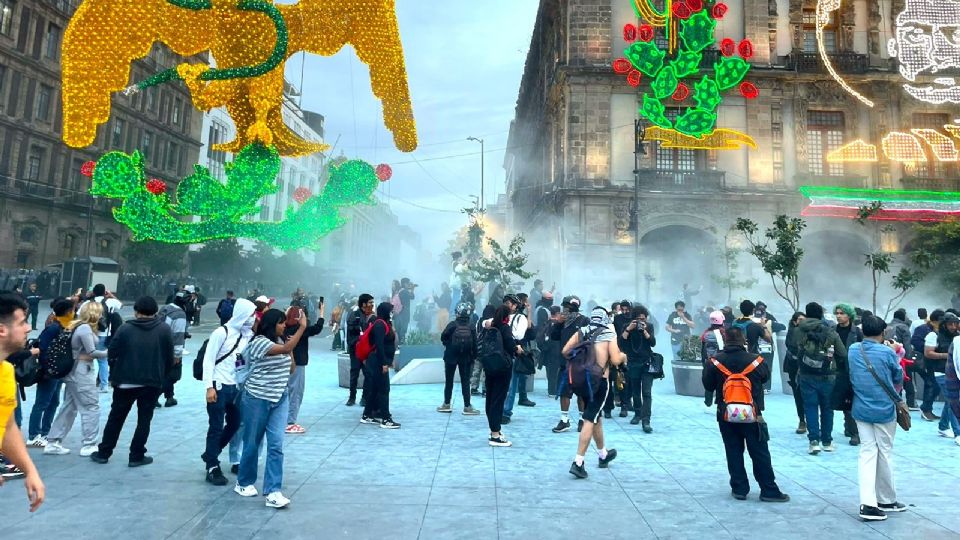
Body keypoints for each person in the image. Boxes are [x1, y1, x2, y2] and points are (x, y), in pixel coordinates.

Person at [702, 327, 789, 503]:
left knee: (733, 450)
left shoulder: (715, 361)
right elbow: (765, 378)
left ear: (725, 340)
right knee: (759, 451)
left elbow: (708, 385)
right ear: (744, 341)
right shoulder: (756, 361)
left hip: (726, 413)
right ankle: (768, 490)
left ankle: (739, 488)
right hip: (753, 413)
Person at [90, 296, 174, 467]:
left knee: (116, 417)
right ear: (155, 311)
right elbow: (169, 357)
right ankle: (136, 455)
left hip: (125, 381)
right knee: (144, 419)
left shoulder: (125, 328)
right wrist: (161, 376)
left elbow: (112, 352)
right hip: (151, 382)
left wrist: (116, 371)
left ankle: (104, 452)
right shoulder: (164, 330)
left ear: (136, 311)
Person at [235, 308, 307, 508]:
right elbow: (283, 351)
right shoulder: (259, 343)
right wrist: (301, 328)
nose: (284, 325)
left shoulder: (282, 343)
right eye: (281, 322)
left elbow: (291, 368)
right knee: (253, 442)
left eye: (285, 322)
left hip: (279, 398)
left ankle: (273, 491)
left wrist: (289, 346)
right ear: (270, 324)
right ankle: (243, 482)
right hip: (257, 398)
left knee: (276, 444)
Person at [846, 315, 907, 521]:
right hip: (884, 409)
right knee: (885, 451)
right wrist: (896, 352)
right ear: (883, 333)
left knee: (867, 452)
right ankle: (887, 499)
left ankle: (868, 503)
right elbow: (898, 377)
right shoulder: (886, 352)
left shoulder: (854, 349)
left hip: (860, 408)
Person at [200, 299, 255, 485]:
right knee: (215, 426)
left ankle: (211, 453)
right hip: (219, 386)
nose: (253, 318)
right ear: (241, 315)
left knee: (234, 423)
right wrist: (209, 387)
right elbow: (208, 360)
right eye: (250, 314)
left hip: (235, 388)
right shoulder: (221, 333)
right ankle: (212, 467)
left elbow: (239, 360)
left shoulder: (246, 335)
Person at [565, 307, 624, 478]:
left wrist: (581, 358)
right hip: (599, 382)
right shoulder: (608, 334)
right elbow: (615, 359)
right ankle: (578, 462)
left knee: (595, 416)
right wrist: (624, 357)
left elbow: (565, 351)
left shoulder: (581, 331)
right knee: (590, 418)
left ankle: (603, 455)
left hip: (582, 381)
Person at [43, 302, 107, 457]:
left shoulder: (75, 325)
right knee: (91, 406)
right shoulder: (85, 328)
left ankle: (53, 441)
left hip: (74, 371)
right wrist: (108, 352)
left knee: (69, 406)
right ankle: (89, 444)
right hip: (82, 371)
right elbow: (91, 351)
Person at [0, 292, 45, 512]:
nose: (28, 328)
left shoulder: (6, 372)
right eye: (22, 322)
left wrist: (29, 469)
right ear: (2, 329)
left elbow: (7, 426)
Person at [796, 302, 847, 455]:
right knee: (827, 408)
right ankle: (827, 441)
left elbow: (792, 347)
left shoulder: (799, 330)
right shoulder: (831, 331)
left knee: (810, 407)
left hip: (805, 374)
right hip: (827, 375)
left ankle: (813, 442)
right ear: (821, 314)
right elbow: (842, 353)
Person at [26, 299, 74, 447]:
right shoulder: (53, 328)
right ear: (67, 312)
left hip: (58, 372)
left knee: (54, 402)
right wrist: (48, 368)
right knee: (42, 402)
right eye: (72, 310)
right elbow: (42, 348)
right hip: (50, 372)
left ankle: (47, 432)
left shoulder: (64, 327)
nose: (73, 313)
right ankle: (33, 435)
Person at [480, 304, 520, 447]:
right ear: (507, 316)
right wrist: (518, 349)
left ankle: (493, 430)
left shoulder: (490, 328)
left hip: (489, 367)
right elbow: (510, 346)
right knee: (498, 399)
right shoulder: (505, 328)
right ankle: (495, 435)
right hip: (503, 368)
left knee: (490, 398)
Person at [283, 299, 325, 434]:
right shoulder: (301, 330)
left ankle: (283, 418)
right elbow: (318, 328)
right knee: (296, 392)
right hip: (298, 364)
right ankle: (290, 422)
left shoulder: (283, 329)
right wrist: (322, 312)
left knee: (285, 391)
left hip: (284, 364)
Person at [551, 296, 590, 433]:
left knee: (581, 393)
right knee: (564, 392)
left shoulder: (584, 320)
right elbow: (553, 337)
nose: (564, 310)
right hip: (565, 362)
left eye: (567, 307)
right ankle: (564, 419)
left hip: (580, 363)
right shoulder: (563, 322)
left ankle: (581, 419)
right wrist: (558, 323)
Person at [360, 303, 401, 429]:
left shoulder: (384, 323)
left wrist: (390, 360)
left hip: (379, 361)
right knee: (384, 389)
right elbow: (379, 345)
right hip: (377, 361)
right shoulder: (379, 325)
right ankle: (386, 418)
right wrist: (384, 363)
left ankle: (367, 415)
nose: (392, 313)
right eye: (390, 311)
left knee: (375, 389)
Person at [619, 304, 657, 432]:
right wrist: (629, 329)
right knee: (635, 391)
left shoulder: (649, 326)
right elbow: (621, 343)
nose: (642, 321)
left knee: (646, 392)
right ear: (634, 319)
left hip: (647, 363)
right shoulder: (627, 327)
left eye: (644, 318)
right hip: (633, 363)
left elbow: (653, 343)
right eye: (639, 319)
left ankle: (646, 420)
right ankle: (637, 413)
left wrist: (645, 331)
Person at [438, 302, 479, 415]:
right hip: (466, 358)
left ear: (457, 313)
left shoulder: (452, 325)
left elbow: (443, 337)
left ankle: (446, 404)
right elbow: (475, 343)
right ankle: (467, 406)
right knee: (465, 381)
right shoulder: (471, 326)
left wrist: (449, 345)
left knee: (449, 381)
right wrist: (474, 356)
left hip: (451, 357)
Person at [924, 312, 960, 438]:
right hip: (940, 372)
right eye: (950, 324)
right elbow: (928, 353)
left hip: (955, 373)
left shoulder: (957, 337)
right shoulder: (934, 336)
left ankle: (943, 426)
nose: (953, 326)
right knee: (953, 400)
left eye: (955, 324)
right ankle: (958, 433)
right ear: (944, 325)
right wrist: (948, 355)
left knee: (951, 400)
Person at [502, 294, 536, 425]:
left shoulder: (520, 318)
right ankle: (499, 410)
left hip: (513, 353)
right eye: (505, 302)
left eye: (509, 303)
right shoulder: (500, 316)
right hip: (501, 354)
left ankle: (506, 412)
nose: (507, 304)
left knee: (511, 385)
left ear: (515, 306)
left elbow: (520, 334)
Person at [835, 303, 864, 446]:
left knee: (852, 401)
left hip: (853, 370)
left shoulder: (857, 332)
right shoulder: (832, 330)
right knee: (842, 401)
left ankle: (855, 432)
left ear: (849, 315)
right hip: (837, 370)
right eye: (837, 313)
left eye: (842, 313)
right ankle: (848, 426)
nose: (839, 316)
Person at [155, 292, 188, 408]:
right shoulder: (180, 314)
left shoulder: (165, 308)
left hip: (158, 345)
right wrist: (177, 355)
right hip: (170, 348)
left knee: (164, 373)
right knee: (173, 375)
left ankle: (170, 397)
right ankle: (154, 396)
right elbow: (178, 335)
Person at [346, 294, 375, 407]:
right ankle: (352, 397)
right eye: (370, 302)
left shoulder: (371, 316)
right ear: (363, 304)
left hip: (367, 350)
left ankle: (364, 397)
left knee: (368, 373)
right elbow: (352, 330)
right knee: (354, 372)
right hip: (356, 349)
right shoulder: (355, 315)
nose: (372, 305)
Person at [913, 309, 942, 421]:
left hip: (933, 362)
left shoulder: (938, 330)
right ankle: (926, 409)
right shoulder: (923, 329)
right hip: (924, 361)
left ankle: (927, 409)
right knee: (931, 385)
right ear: (935, 320)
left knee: (934, 385)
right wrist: (929, 348)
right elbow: (915, 341)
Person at [783, 312, 807, 434]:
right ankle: (802, 420)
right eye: (800, 319)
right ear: (794, 322)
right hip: (794, 366)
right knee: (798, 395)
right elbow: (789, 346)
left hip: (808, 368)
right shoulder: (792, 333)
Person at [701, 310, 727, 412]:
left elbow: (702, 348)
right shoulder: (723, 333)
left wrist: (705, 362)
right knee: (721, 382)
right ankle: (719, 401)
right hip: (720, 362)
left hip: (709, 362)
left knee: (709, 380)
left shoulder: (706, 333)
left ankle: (708, 399)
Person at [395, 278, 415, 344]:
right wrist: (412, 289)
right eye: (408, 283)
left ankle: (398, 344)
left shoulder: (400, 291)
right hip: (404, 313)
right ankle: (401, 345)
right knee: (403, 330)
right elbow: (412, 296)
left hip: (399, 313)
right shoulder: (405, 291)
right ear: (405, 284)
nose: (409, 285)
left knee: (399, 330)